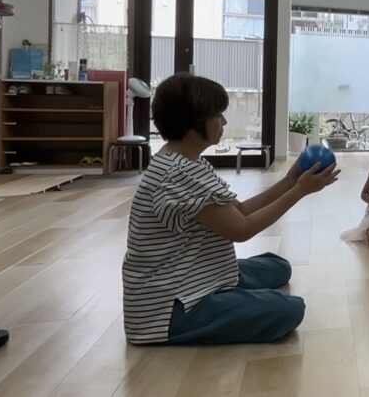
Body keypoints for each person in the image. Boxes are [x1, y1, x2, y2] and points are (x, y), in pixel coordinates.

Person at [122, 73, 339, 346]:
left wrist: (290, 180)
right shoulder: (179, 174)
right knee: (289, 309)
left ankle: (226, 288)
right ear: (192, 123)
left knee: (278, 267)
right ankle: (221, 300)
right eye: (217, 115)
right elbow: (242, 229)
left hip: (195, 271)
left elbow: (240, 210)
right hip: (168, 308)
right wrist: (300, 191)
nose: (224, 122)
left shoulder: (189, 162)